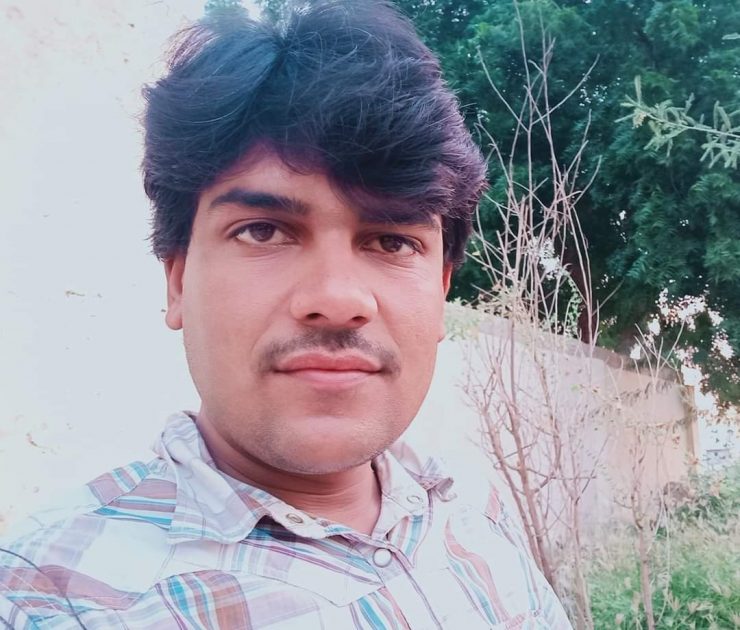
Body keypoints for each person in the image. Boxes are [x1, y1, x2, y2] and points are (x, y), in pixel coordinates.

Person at [0, 1, 572, 627]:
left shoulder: (476, 514)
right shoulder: (50, 598)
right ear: (178, 280)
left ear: (440, 291)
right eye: (263, 231)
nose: (338, 299)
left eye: (391, 241)